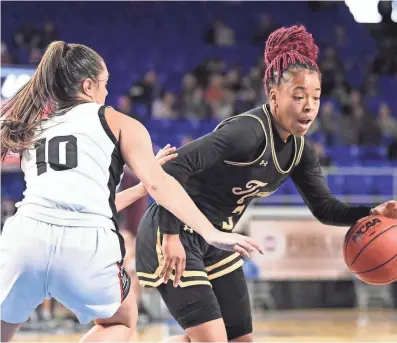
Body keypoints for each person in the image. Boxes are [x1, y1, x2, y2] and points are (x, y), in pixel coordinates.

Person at [116, 26, 397, 342]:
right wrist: (170, 237)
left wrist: (373, 211)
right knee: (211, 340)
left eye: (316, 98)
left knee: (241, 341)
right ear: (275, 96)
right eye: (299, 96)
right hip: (173, 230)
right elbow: (173, 167)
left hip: (216, 239)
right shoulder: (247, 132)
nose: (309, 106)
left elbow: (325, 208)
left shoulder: (300, 151)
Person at [0, 41, 262, 342]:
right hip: (85, 244)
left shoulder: (34, 125)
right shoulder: (117, 121)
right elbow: (159, 184)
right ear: (88, 86)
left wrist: (137, 191)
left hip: (25, 238)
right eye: (104, 84)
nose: (107, 92)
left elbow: (82, 200)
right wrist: (210, 232)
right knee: (120, 323)